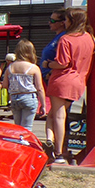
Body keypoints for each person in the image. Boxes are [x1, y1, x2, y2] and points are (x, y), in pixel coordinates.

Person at [44, 8, 95, 164]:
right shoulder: (89, 38)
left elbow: (62, 63)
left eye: (66, 20)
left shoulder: (66, 39)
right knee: (55, 115)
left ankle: (58, 152)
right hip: (79, 82)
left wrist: (48, 64)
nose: (64, 23)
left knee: (59, 116)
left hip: (62, 80)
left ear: (72, 21)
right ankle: (53, 143)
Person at [1, 40, 46, 131]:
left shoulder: (10, 68)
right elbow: (40, 88)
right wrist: (43, 105)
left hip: (14, 98)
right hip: (29, 97)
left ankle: (18, 142)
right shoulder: (33, 67)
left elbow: (5, 85)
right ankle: (25, 143)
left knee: (18, 127)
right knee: (27, 127)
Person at [40, 8, 67, 140]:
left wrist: (50, 69)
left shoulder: (63, 38)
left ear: (62, 22)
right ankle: (53, 142)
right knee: (55, 114)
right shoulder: (58, 37)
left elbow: (64, 61)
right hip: (50, 78)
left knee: (56, 115)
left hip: (55, 78)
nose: (49, 23)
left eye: (52, 20)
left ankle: (56, 145)